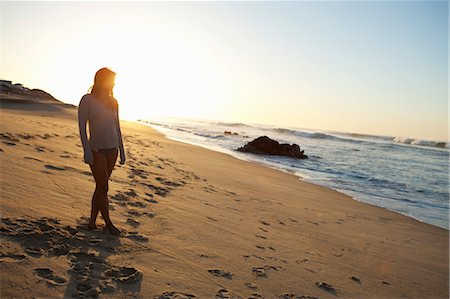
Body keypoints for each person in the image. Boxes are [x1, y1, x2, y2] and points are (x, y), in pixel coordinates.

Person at [78, 67, 126, 236]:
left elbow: (117, 128)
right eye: (111, 79)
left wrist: (122, 150)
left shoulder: (114, 102)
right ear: (102, 79)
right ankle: (108, 223)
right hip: (96, 149)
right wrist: (86, 151)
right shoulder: (87, 100)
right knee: (103, 186)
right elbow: (82, 128)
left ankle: (92, 221)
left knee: (101, 187)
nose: (114, 83)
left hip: (113, 149)